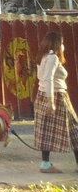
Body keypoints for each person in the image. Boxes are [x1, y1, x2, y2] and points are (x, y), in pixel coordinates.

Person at [33, 31, 78, 174]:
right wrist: (51, 101)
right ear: (58, 44)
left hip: (43, 95)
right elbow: (48, 79)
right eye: (62, 43)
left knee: (45, 131)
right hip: (56, 96)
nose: (64, 46)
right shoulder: (53, 58)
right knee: (74, 130)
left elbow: (43, 78)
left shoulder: (43, 57)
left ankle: (45, 164)